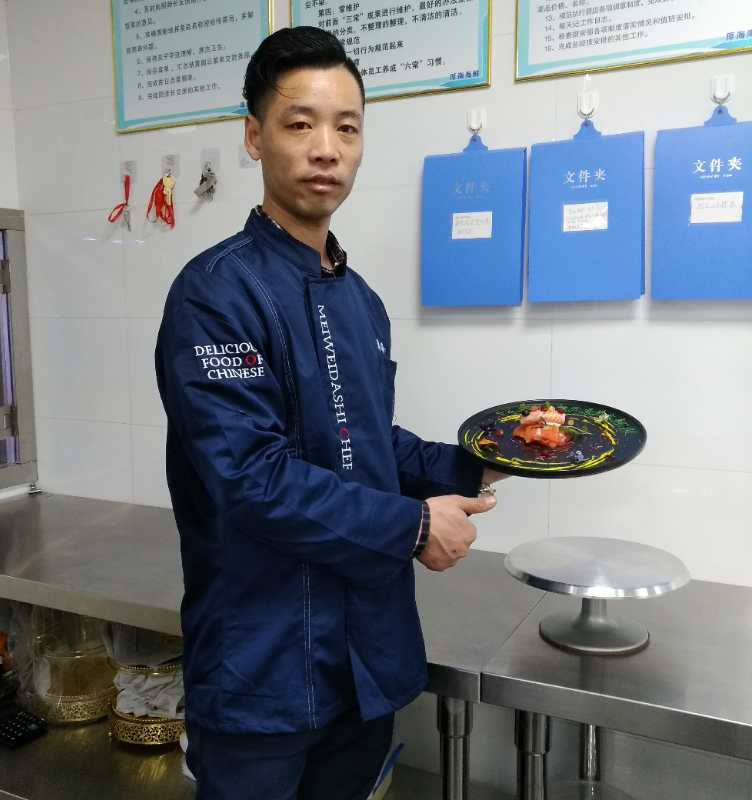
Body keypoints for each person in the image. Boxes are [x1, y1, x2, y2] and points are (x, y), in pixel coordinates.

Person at [155, 25, 505, 800]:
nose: (326, 149)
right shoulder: (216, 293)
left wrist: (483, 458)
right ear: (255, 136)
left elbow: (365, 444)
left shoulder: (362, 302)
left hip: (365, 665)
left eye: (347, 128)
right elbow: (250, 478)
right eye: (300, 123)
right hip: (262, 672)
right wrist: (413, 526)